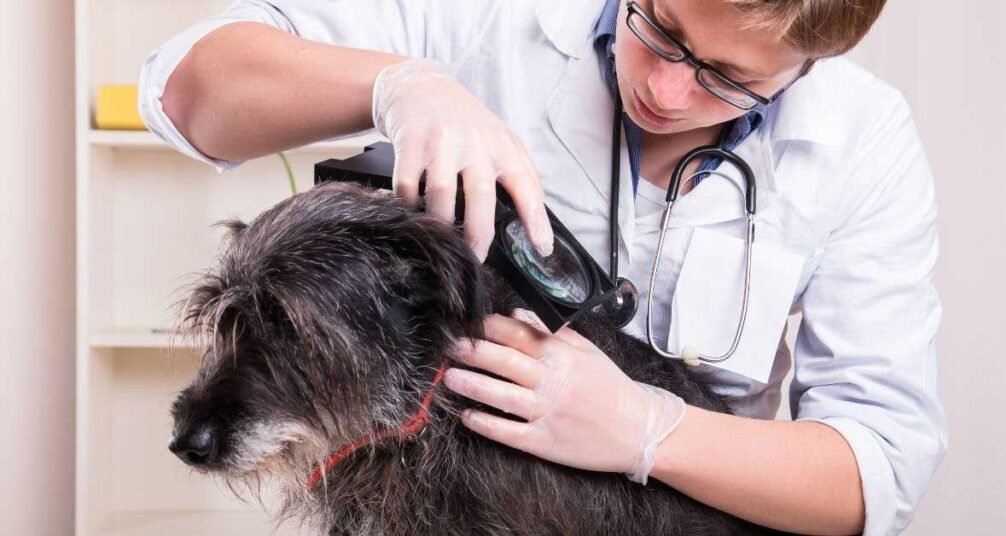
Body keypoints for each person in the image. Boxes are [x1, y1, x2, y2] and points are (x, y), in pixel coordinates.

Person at [139, 1, 947, 534]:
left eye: (729, 79)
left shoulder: (863, 138)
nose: (666, 90)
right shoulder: (489, 14)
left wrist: (647, 432)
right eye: (661, 26)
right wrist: (399, 85)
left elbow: (875, 469)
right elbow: (187, 93)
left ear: (808, 66)